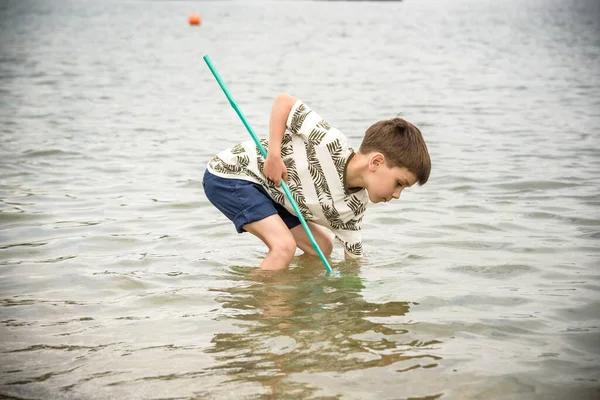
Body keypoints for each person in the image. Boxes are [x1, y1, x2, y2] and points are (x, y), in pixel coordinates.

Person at [202, 93, 431, 270]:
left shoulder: (355, 209)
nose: (397, 195)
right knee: (284, 247)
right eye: (399, 183)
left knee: (322, 246)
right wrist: (274, 155)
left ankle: (293, 294)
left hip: (273, 194)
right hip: (232, 174)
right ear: (376, 163)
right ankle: (264, 311)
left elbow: (354, 261)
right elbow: (284, 102)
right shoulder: (331, 143)